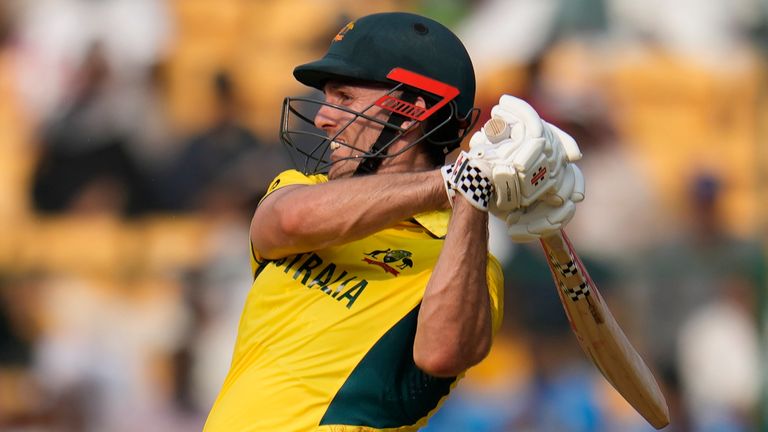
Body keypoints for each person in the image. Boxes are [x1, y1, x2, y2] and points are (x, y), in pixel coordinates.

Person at [204, 12, 583, 431]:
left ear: (409, 111)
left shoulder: (465, 262)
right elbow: (287, 222)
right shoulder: (299, 188)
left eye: (344, 98)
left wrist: (471, 197)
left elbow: (444, 353)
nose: (323, 117)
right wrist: (454, 180)